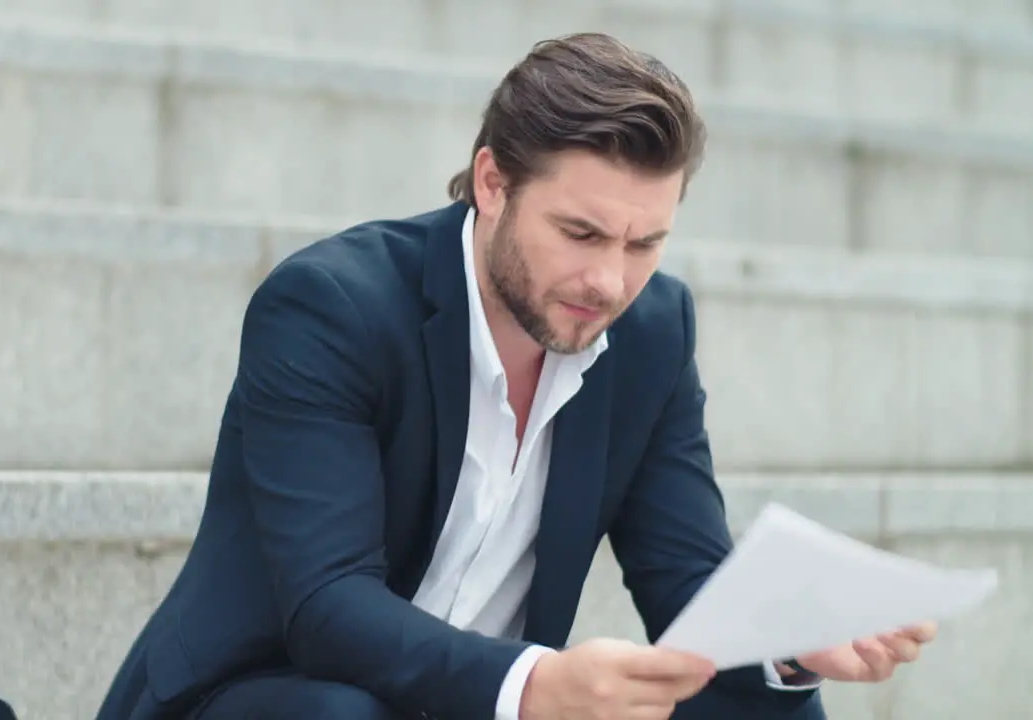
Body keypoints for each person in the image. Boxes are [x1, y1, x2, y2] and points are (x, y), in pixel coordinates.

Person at [95, 32, 937, 720]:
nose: (609, 282)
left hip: (486, 702)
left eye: (645, 244)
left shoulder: (651, 331)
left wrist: (787, 637)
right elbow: (327, 609)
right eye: (580, 233)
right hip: (262, 695)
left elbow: (685, 583)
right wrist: (535, 685)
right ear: (493, 183)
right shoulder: (332, 307)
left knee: (765, 708)